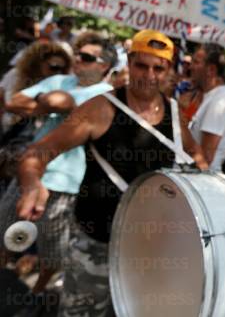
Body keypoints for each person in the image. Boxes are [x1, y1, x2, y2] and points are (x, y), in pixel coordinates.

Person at [16, 29, 207, 316]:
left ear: (169, 71)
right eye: (141, 65)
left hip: (147, 252)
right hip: (96, 245)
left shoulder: (174, 114)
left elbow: (197, 158)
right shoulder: (100, 108)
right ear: (129, 63)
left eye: (159, 68)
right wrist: (32, 184)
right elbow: (37, 153)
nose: (149, 75)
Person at [1, 32, 116, 293]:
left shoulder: (106, 94)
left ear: (104, 66)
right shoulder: (60, 80)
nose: (77, 60)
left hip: (65, 184)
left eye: (86, 57)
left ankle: (37, 294)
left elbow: (63, 101)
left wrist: (44, 101)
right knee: (4, 232)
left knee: (52, 252)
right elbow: (15, 101)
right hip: (30, 169)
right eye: (77, 54)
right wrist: (47, 102)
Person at [188, 43, 225, 171]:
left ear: (211, 70)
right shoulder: (214, 96)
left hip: (199, 181)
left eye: (196, 62)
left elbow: (205, 157)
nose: (191, 66)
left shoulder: (219, 103)